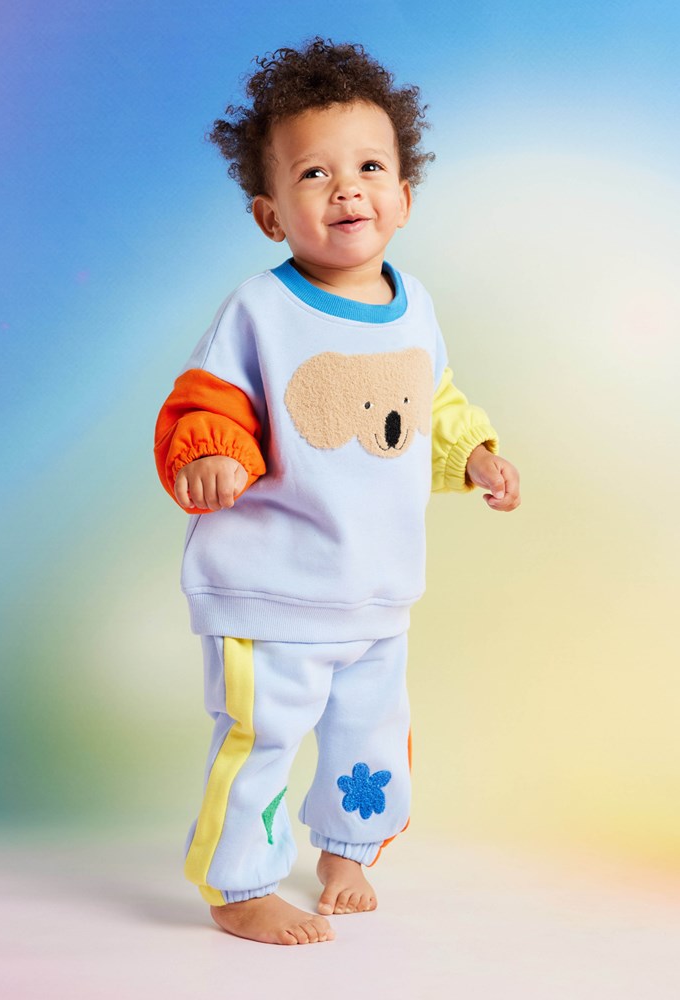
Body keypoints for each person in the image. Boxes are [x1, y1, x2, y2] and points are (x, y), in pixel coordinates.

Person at [154, 38, 520, 946]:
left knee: (370, 736)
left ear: (404, 196)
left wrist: (474, 453)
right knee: (263, 740)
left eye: (369, 168)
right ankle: (239, 884)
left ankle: (348, 852)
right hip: (272, 589)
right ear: (270, 213)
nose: (347, 190)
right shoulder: (260, 310)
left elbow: (431, 400)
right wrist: (212, 454)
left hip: (377, 589)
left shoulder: (414, 305)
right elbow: (208, 400)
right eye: (314, 173)